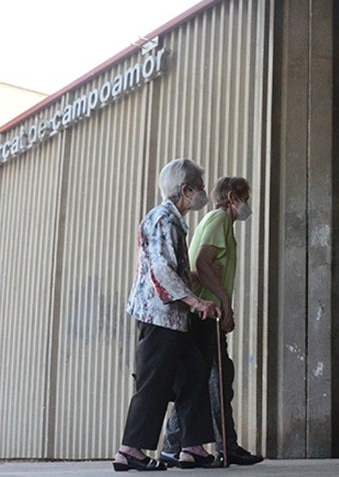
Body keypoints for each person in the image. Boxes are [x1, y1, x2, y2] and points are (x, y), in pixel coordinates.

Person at [113, 158, 222, 472]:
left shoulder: (171, 221)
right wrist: (196, 302)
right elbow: (160, 271)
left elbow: (165, 266)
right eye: (199, 187)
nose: (202, 193)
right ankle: (129, 451)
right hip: (159, 316)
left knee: (194, 374)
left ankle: (193, 448)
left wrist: (192, 280)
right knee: (154, 382)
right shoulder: (164, 220)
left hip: (174, 317)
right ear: (185, 189)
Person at [159, 177, 264, 467]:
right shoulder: (219, 220)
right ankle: (183, 445)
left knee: (216, 380)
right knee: (207, 382)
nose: (247, 205)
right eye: (245, 198)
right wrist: (225, 303)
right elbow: (202, 264)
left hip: (207, 314)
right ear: (232, 197)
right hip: (205, 315)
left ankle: (219, 445)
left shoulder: (217, 223)